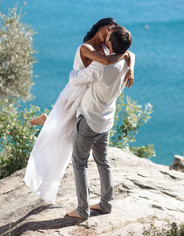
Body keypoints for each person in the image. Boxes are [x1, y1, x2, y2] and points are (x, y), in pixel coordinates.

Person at [24, 18, 135, 203]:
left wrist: (129, 65)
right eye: (108, 29)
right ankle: (48, 119)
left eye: (112, 31)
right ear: (100, 28)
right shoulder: (87, 48)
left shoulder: (109, 53)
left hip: (88, 93)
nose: (109, 33)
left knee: (69, 138)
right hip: (79, 92)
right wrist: (126, 61)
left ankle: (48, 119)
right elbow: (114, 58)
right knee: (67, 132)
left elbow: (124, 55)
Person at [66, 26, 134, 219]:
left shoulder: (100, 66)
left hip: (89, 120)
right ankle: (106, 204)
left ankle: (82, 210)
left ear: (110, 43)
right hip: (106, 121)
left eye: (108, 37)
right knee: (104, 162)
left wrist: (75, 71)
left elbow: (75, 79)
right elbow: (130, 55)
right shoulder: (126, 64)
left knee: (79, 163)